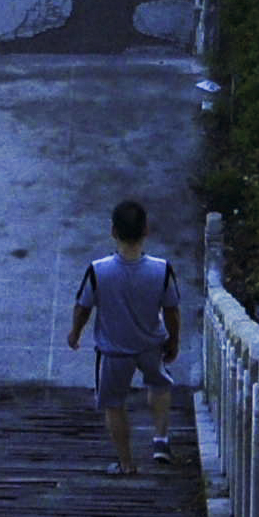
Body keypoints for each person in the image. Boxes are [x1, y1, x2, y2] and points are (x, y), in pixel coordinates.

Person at [63, 198, 184, 474]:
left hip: (114, 351)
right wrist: (174, 340)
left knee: (114, 405)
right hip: (152, 344)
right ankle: (161, 439)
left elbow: (83, 307)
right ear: (146, 231)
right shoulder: (161, 269)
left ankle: (126, 463)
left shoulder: (98, 270)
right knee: (160, 384)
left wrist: (75, 333)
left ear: (113, 232)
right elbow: (172, 310)